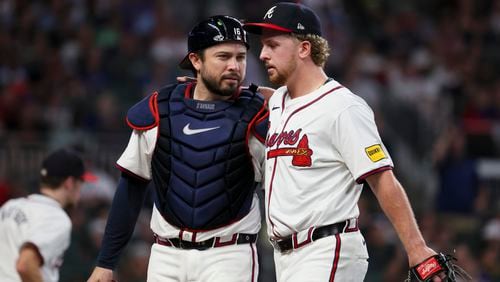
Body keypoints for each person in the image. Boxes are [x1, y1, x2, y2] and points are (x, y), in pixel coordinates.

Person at [243, 2, 445, 281]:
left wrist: (416, 248)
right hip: (287, 257)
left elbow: (382, 179)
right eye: (263, 45)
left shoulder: (342, 107)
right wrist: (206, 90)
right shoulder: (280, 101)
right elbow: (264, 96)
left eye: (273, 45)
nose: (263, 54)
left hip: (326, 249)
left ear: (304, 48)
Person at [87, 15, 268, 282]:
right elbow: (130, 188)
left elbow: (283, 191)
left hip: (229, 255)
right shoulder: (160, 110)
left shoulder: (260, 116)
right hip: (166, 255)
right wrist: (105, 262)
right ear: (196, 60)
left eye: (240, 57)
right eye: (223, 56)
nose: (234, 66)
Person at [0, 148, 97, 282]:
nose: (81, 189)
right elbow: (25, 264)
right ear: (69, 183)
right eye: (81, 182)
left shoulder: (10, 206)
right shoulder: (56, 218)